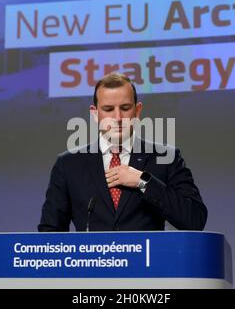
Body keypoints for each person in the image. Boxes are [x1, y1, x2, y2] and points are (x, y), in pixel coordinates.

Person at [38, 73, 207, 231]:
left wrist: (143, 182)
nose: (118, 118)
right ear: (95, 113)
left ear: (138, 110)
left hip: (147, 261)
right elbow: (50, 233)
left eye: (125, 108)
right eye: (108, 109)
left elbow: (194, 220)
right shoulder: (68, 164)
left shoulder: (165, 157)